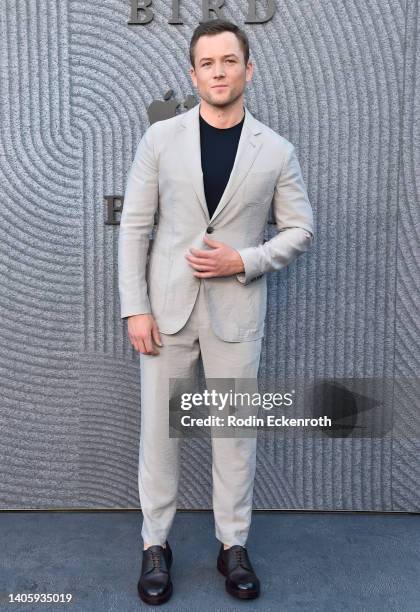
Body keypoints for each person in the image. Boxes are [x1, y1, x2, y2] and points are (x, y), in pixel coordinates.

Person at [118, 18, 314, 605]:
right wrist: (136, 309)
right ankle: (156, 545)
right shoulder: (160, 140)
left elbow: (302, 228)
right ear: (193, 73)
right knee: (161, 436)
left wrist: (245, 260)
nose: (219, 71)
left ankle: (234, 546)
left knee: (234, 436)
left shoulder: (276, 150)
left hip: (236, 315)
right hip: (166, 315)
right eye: (207, 63)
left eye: (230, 61)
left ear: (248, 69)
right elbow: (134, 227)